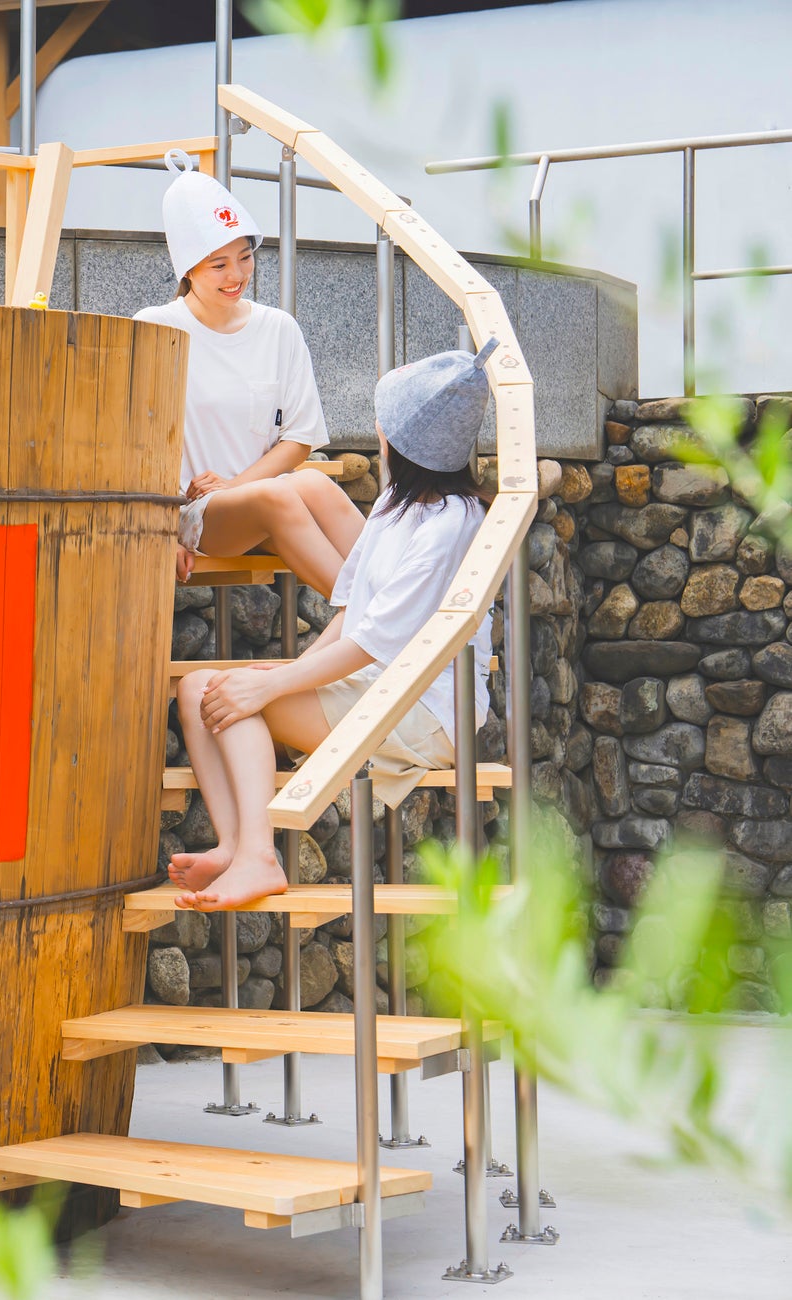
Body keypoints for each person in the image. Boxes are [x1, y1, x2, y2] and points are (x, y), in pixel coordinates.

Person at [167, 339, 500, 911]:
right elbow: (352, 613)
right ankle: (234, 846)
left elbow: (372, 640)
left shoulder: (450, 525)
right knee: (197, 687)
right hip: (386, 683)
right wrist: (285, 675)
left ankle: (259, 856)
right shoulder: (401, 503)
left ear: (398, 441)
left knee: (237, 696)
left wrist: (273, 684)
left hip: (423, 707)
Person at [136, 153, 364, 596]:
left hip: (262, 496)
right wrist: (157, 531)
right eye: (219, 265)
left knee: (313, 483)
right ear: (188, 269)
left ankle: (406, 608)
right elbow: (130, 443)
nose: (236, 275)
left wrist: (234, 485)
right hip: (195, 512)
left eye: (244, 257)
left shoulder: (278, 328)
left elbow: (298, 438)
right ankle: (376, 631)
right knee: (280, 494)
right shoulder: (155, 327)